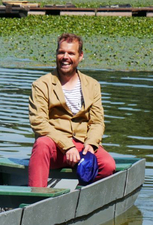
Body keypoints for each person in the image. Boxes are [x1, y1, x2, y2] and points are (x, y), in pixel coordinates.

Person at [28, 33, 115, 188]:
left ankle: (80, 195)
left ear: (80, 56)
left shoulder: (93, 85)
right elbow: (38, 122)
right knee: (41, 144)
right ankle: (36, 198)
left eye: (71, 53)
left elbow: (97, 122)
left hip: (83, 145)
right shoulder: (41, 85)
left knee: (108, 165)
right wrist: (67, 145)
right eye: (61, 52)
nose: (65, 57)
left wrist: (91, 144)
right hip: (54, 146)